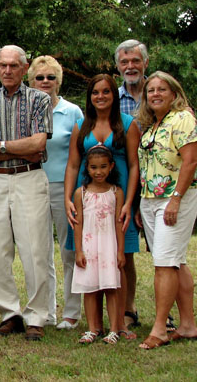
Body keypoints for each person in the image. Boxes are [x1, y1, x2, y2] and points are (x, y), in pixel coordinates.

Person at [0, 45, 53, 341]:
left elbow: (38, 145)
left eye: (13, 66)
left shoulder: (40, 99)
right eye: (2, 65)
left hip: (30, 179)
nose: (7, 70)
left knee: (35, 250)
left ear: (25, 68)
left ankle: (37, 316)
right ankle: (9, 314)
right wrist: (17, 147)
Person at [64, 73, 140, 340]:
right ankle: (95, 324)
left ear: (113, 95)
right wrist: (67, 197)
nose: (100, 97)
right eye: (95, 92)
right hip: (88, 203)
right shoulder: (81, 126)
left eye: (106, 92)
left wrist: (130, 202)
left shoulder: (127, 125)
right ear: (89, 96)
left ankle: (121, 321)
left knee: (121, 259)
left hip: (117, 201)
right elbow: (73, 164)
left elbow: (133, 165)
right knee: (90, 258)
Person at [135, 71, 197, 349]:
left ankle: (160, 328)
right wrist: (142, 203)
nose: (156, 94)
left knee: (163, 263)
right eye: (151, 90)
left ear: (174, 93)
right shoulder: (152, 125)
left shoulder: (183, 119)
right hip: (150, 199)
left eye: (162, 89)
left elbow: (190, 161)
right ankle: (187, 325)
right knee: (177, 261)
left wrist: (175, 198)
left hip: (175, 199)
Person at [28, 56, 83, 330]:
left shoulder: (72, 112)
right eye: (40, 77)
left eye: (50, 77)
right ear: (32, 81)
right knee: (39, 251)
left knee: (68, 250)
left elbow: (83, 151)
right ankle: (45, 312)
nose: (45, 82)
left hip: (65, 187)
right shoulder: (25, 109)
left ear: (58, 81)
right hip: (32, 184)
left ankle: (72, 312)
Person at [71, 146, 125, 345]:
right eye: (94, 167)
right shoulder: (81, 193)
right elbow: (78, 224)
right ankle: (93, 328)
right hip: (89, 247)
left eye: (103, 167)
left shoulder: (116, 192)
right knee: (90, 288)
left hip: (109, 246)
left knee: (111, 287)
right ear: (87, 168)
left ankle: (113, 329)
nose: (99, 172)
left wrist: (120, 251)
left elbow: (119, 223)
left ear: (111, 166)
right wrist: (78, 250)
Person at [114, 39, 148, 328]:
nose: (130, 66)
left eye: (135, 61)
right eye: (124, 62)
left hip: (159, 183)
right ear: (117, 66)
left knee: (167, 254)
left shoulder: (160, 91)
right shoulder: (113, 98)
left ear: (145, 63)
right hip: (128, 182)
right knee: (127, 250)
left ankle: (169, 311)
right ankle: (129, 308)